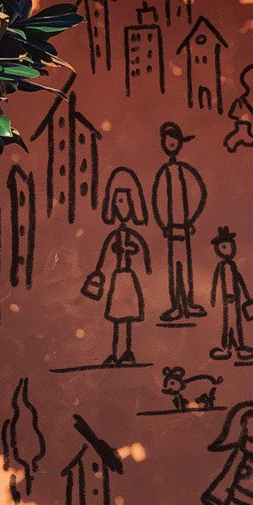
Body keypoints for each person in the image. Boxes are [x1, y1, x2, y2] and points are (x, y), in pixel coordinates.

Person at [83, 167, 152, 366]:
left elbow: (144, 250)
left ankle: (128, 351)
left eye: (126, 203)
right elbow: (104, 256)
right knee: (116, 319)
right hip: (117, 277)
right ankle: (115, 352)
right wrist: (97, 272)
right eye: (119, 203)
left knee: (128, 317)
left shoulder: (131, 234)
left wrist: (139, 258)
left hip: (128, 277)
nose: (123, 207)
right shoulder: (114, 236)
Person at [151, 121, 207, 321]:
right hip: (171, 228)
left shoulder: (184, 170)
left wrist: (192, 220)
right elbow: (156, 200)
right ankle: (176, 305)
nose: (171, 145)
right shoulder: (165, 172)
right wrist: (162, 225)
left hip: (183, 227)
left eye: (174, 141)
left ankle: (189, 304)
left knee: (187, 267)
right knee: (174, 268)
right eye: (168, 142)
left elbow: (200, 193)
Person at [208, 225, 253, 361]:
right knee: (226, 324)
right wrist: (213, 297)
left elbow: (240, 281)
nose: (226, 249)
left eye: (228, 246)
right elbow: (215, 282)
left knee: (237, 323)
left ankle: (239, 346)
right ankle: (226, 347)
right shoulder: (221, 267)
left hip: (236, 300)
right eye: (223, 247)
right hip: (225, 300)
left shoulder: (233, 266)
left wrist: (248, 297)